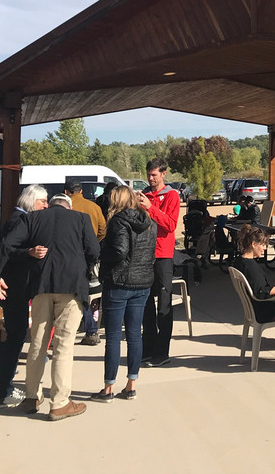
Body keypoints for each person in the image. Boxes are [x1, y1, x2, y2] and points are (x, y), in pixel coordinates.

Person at [0, 193, 100, 421]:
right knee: (63, 345)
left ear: (51, 205)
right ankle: (59, 403)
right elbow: (94, 251)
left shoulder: (32, 219)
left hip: (40, 287)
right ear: (68, 207)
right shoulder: (80, 219)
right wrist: (84, 269)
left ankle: (32, 397)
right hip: (71, 287)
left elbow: (6, 245)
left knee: (38, 342)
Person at [0, 184, 49, 408]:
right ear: (33, 201)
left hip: (15, 286)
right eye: (43, 202)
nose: (46, 206)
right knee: (15, 337)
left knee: (17, 336)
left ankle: (5, 389)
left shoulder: (19, 218)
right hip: (14, 288)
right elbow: (5, 250)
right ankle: (3, 392)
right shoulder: (19, 220)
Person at [92, 185, 156, 403]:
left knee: (112, 337)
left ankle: (108, 387)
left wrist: (103, 255)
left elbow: (119, 251)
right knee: (134, 334)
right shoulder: (149, 221)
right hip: (143, 281)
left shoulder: (118, 221)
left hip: (119, 282)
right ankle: (131, 385)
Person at [139, 158, 181, 367]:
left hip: (163, 255)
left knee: (164, 305)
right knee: (145, 302)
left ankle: (162, 352)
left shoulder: (172, 195)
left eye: (154, 175)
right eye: (148, 174)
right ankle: (148, 348)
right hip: (145, 255)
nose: (150, 178)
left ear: (164, 174)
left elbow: (171, 225)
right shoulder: (144, 195)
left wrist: (151, 208)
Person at [65, 178, 106, 347]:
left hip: (68, 255)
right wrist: (93, 243)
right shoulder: (94, 207)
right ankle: (90, 329)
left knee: (72, 293)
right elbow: (103, 229)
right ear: (81, 191)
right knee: (85, 292)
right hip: (89, 255)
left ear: (66, 192)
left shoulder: (66, 208)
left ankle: (87, 328)